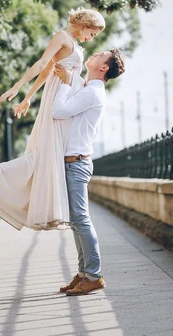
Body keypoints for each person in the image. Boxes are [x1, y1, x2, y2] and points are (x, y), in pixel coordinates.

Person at [0, 8, 105, 231]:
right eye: (92, 33)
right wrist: (18, 88)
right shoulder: (62, 37)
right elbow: (42, 65)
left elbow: (48, 71)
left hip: (64, 96)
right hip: (59, 97)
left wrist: (29, 98)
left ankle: (1, 194)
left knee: (49, 157)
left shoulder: (73, 44)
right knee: (43, 154)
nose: (91, 39)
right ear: (84, 25)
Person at [53, 49, 125, 296]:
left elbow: (59, 111)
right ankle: (84, 272)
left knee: (81, 219)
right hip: (74, 162)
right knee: (76, 221)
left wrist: (64, 83)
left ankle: (94, 275)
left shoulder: (93, 92)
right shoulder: (88, 88)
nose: (95, 53)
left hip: (77, 163)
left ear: (104, 68)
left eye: (101, 55)